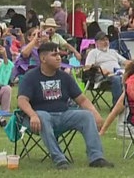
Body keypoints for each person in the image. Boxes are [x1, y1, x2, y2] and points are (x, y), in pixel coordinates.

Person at [16, 41, 114, 170]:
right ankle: (59, 159)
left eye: (59, 55)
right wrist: (33, 115)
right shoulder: (31, 77)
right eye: (54, 54)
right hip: (38, 119)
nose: (58, 57)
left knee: (86, 115)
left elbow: (82, 100)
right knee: (43, 116)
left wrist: (94, 112)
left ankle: (96, 157)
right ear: (43, 58)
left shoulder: (64, 77)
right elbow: (22, 100)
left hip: (63, 115)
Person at [83, 33, 127, 107]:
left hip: (118, 73)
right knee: (117, 79)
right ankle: (117, 105)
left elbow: (126, 62)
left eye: (107, 40)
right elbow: (87, 67)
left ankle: (131, 104)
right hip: (103, 77)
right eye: (103, 40)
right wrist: (100, 70)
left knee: (130, 77)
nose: (106, 42)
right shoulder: (93, 52)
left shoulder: (113, 52)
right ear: (96, 42)